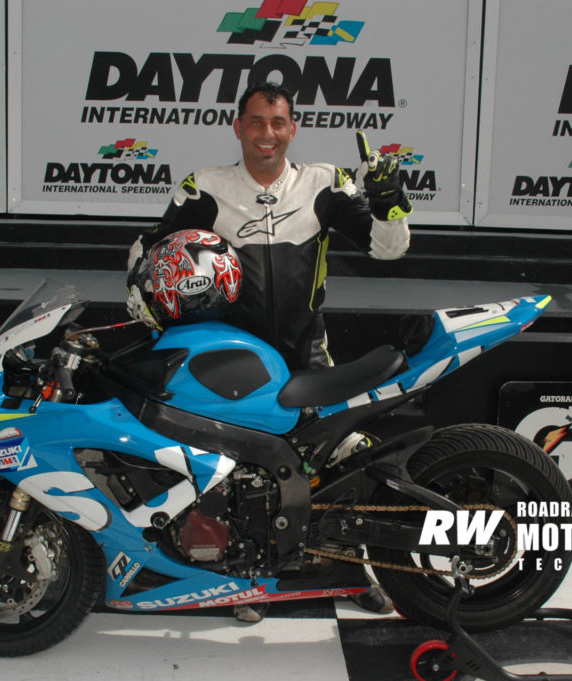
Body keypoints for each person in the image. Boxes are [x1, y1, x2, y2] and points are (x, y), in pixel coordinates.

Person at [125, 81, 412, 621]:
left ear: (292, 128)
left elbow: (389, 250)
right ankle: (240, 581)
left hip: (308, 354)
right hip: (233, 362)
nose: (266, 134)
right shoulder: (203, 188)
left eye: (277, 123)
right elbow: (151, 253)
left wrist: (390, 200)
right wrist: (141, 293)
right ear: (238, 127)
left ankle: (350, 570)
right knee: (233, 472)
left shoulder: (326, 182)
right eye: (255, 122)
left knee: (343, 457)